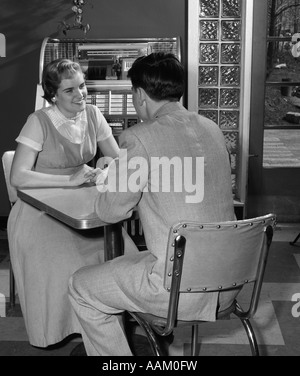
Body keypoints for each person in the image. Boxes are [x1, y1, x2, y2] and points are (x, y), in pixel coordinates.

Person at [68, 52, 237, 356]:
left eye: (133, 95)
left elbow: (110, 210)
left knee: (81, 286)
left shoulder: (140, 137)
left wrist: (117, 184)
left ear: (140, 95)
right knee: (134, 261)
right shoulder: (211, 128)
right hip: (231, 278)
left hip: (177, 289)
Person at [7, 58, 120, 347]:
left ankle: (100, 330)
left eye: (82, 86)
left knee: (119, 252)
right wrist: (69, 181)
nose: (80, 94)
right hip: (38, 208)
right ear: (53, 95)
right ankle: (66, 329)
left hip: (82, 203)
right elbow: (18, 177)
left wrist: (106, 168)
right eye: (70, 90)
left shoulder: (93, 114)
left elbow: (118, 159)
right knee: (64, 260)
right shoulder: (38, 121)